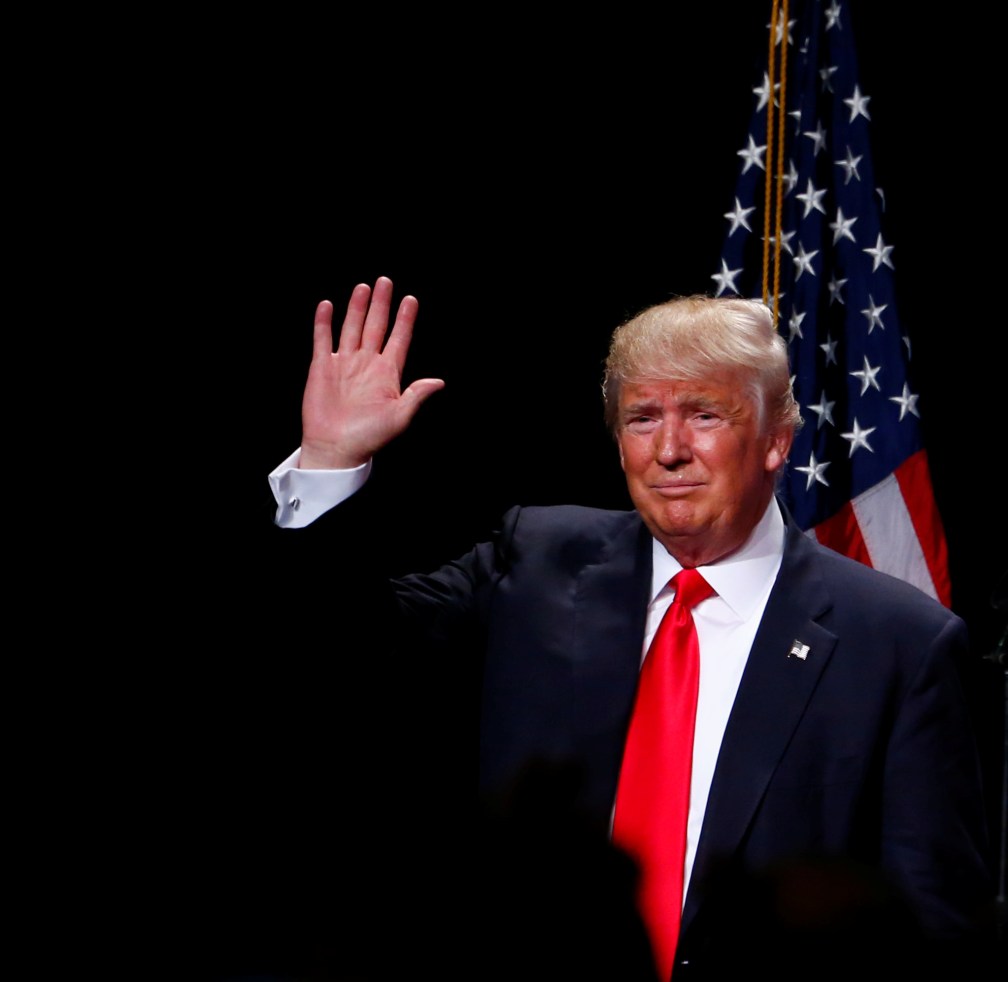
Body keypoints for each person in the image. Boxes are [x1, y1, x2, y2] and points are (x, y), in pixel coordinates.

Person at [265, 277, 995, 980]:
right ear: (619, 442)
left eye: (705, 414)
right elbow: (341, 651)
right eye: (643, 418)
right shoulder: (540, 562)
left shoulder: (898, 644)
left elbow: (933, 926)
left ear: (777, 440)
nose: (669, 449)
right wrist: (332, 461)